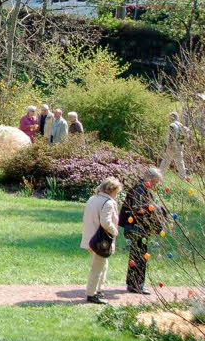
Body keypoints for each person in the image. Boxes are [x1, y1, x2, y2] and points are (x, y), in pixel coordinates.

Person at [120, 167, 166, 295]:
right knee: (139, 256)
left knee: (136, 255)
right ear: (148, 178)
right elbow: (137, 208)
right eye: (154, 182)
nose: (154, 185)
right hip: (138, 228)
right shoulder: (140, 188)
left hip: (138, 228)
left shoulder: (141, 187)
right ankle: (136, 285)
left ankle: (133, 284)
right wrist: (154, 208)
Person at [80, 178, 122, 304]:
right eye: (116, 191)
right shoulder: (108, 202)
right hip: (99, 239)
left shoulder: (92, 199)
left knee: (103, 265)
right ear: (112, 190)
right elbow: (106, 222)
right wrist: (115, 231)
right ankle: (91, 294)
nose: (117, 194)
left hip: (89, 237)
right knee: (97, 267)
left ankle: (98, 290)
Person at [160, 111, 188, 180]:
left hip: (172, 146)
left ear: (172, 118)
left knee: (166, 161)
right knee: (180, 162)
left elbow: (171, 137)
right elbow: (185, 135)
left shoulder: (172, 125)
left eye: (170, 117)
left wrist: (168, 145)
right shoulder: (181, 125)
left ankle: (159, 175)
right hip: (179, 146)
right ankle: (183, 177)